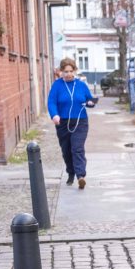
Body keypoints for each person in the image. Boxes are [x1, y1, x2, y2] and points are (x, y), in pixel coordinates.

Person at [46, 57, 98, 189]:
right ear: (61, 72)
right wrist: (55, 115)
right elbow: (51, 102)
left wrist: (91, 102)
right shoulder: (57, 85)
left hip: (80, 121)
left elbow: (89, 99)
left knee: (77, 148)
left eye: (71, 71)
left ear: (74, 70)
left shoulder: (81, 85)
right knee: (67, 151)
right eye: (65, 71)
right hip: (62, 122)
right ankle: (71, 172)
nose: (68, 74)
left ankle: (80, 176)